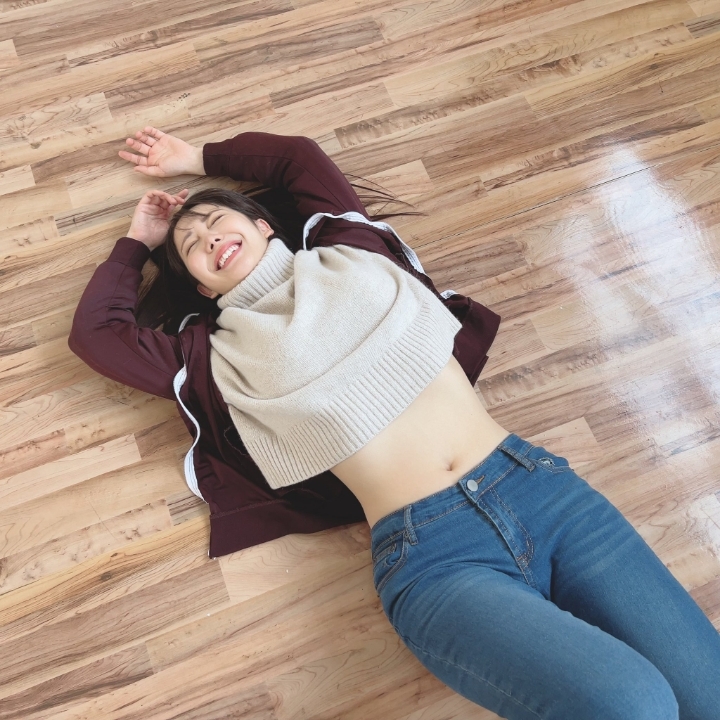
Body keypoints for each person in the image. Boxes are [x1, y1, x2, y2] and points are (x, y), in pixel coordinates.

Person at [69, 127, 720, 720]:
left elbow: (297, 158)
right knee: (632, 703)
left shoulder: (350, 248)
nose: (207, 236)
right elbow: (96, 335)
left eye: (216, 219)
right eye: (191, 246)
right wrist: (139, 242)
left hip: (545, 493)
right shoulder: (211, 358)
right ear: (204, 289)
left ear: (264, 227)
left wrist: (194, 159)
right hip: (436, 558)